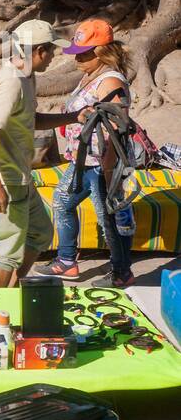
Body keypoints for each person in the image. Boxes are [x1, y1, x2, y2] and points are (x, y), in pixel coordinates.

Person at [35, 20, 137, 287]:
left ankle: (121, 272)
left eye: (85, 52)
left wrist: (108, 172)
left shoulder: (111, 81)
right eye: (78, 51)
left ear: (102, 52)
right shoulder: (90, 76)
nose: (78, 57)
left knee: (109, 216)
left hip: (102, 163)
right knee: (62, 202)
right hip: (84, 160)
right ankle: (67, 261)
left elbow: (117, 128)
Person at [0, 19, 64, 287]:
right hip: (8, 182)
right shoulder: (11, 83)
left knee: (40, 232)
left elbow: (31, 118)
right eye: (51, 50)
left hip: (21, 178)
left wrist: (74, 117)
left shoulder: (28, 76)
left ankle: (15, 289)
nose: (53, 56)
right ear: (39, 51)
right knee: (6, 255)